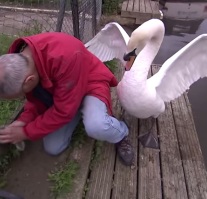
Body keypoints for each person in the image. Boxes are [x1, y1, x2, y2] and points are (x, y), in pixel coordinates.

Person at [0, 32, 134, 166]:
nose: (22, 96)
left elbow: (62, 111)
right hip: (65, 94)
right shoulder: (20, 62)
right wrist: (23, 121)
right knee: (53, 147)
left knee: (96, 125)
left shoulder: (65, 56)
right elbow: (35, 98)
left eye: (20, 93)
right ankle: (79, 110)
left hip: (89, 84)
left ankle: (121, 134)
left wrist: (25, 132)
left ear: (29, 80)